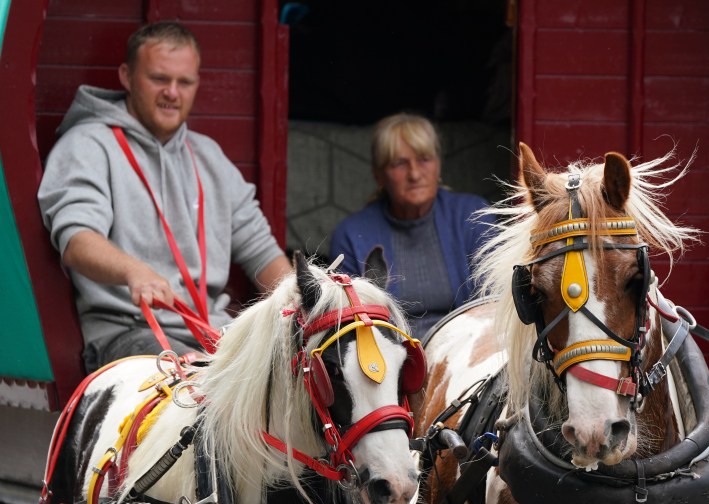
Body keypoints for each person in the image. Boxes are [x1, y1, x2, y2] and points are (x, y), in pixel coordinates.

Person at [39, 21, 291, 372]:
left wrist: (304, 298)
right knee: (195, 386)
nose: (172, 92)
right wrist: (133, 271)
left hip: (215, 336)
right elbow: (77, 241)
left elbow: (262, 252)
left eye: (184, 82)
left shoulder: (210, 156)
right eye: (159, 78)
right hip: (128, 335)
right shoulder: (86, 145)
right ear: (126, 76)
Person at [328, 113, 494, 337]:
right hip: (389, 360)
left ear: (438, 165)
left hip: (466, 354)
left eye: (424, 159)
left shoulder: (473, 216)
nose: (415, 174)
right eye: (399, 164)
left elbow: (493, 305)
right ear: (379, 175)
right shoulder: (352, 235)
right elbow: (350, 325)